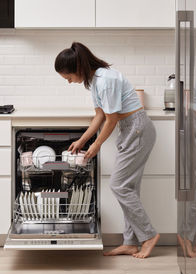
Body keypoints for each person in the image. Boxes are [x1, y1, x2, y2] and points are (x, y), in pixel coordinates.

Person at [55, 42, 160, 258]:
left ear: (78, 67)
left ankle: (149, 235)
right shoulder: (93, 81)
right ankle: (131, 242)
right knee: (129, 188)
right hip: (131, 129)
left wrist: (96, 144)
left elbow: (111, 120)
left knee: (119, 185)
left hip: (137, 129)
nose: (68, 81)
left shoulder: (106, 80)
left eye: (67, 77)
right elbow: (100, 116)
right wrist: (83, 141)